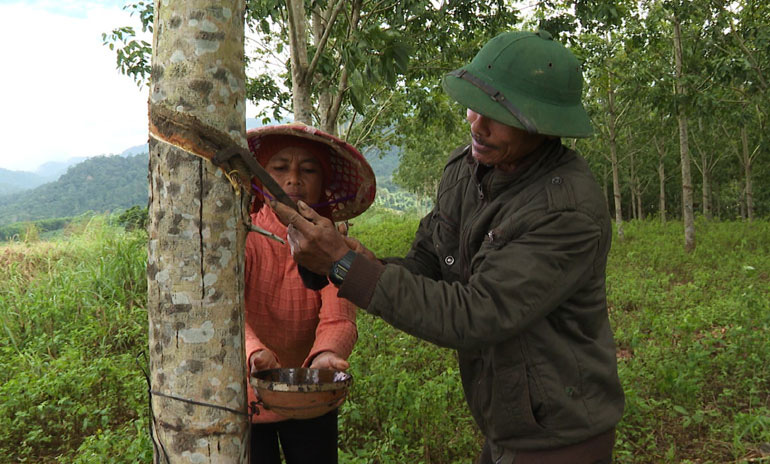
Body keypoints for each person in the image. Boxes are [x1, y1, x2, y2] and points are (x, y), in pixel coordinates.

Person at [269, 30, 625, 464]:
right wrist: (349, 262)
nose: (477, 122)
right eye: (476, 105)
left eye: (500, 114)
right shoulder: (467, 170)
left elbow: (477, 314)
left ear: (543, 125)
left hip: (560, 438)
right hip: (507, 424)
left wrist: (345, 266)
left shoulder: (565, 212)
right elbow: (428, 261)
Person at [243, 123, 376, 464]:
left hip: (312, 395)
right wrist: (254, 352)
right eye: (280, 167)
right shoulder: (242, 238)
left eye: (308, 169)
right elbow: (227, 314)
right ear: (262, 179)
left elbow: (339, 315)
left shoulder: (333, 245)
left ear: (323, 183)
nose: (294, 180)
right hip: (245, 397)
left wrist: (326, 357)